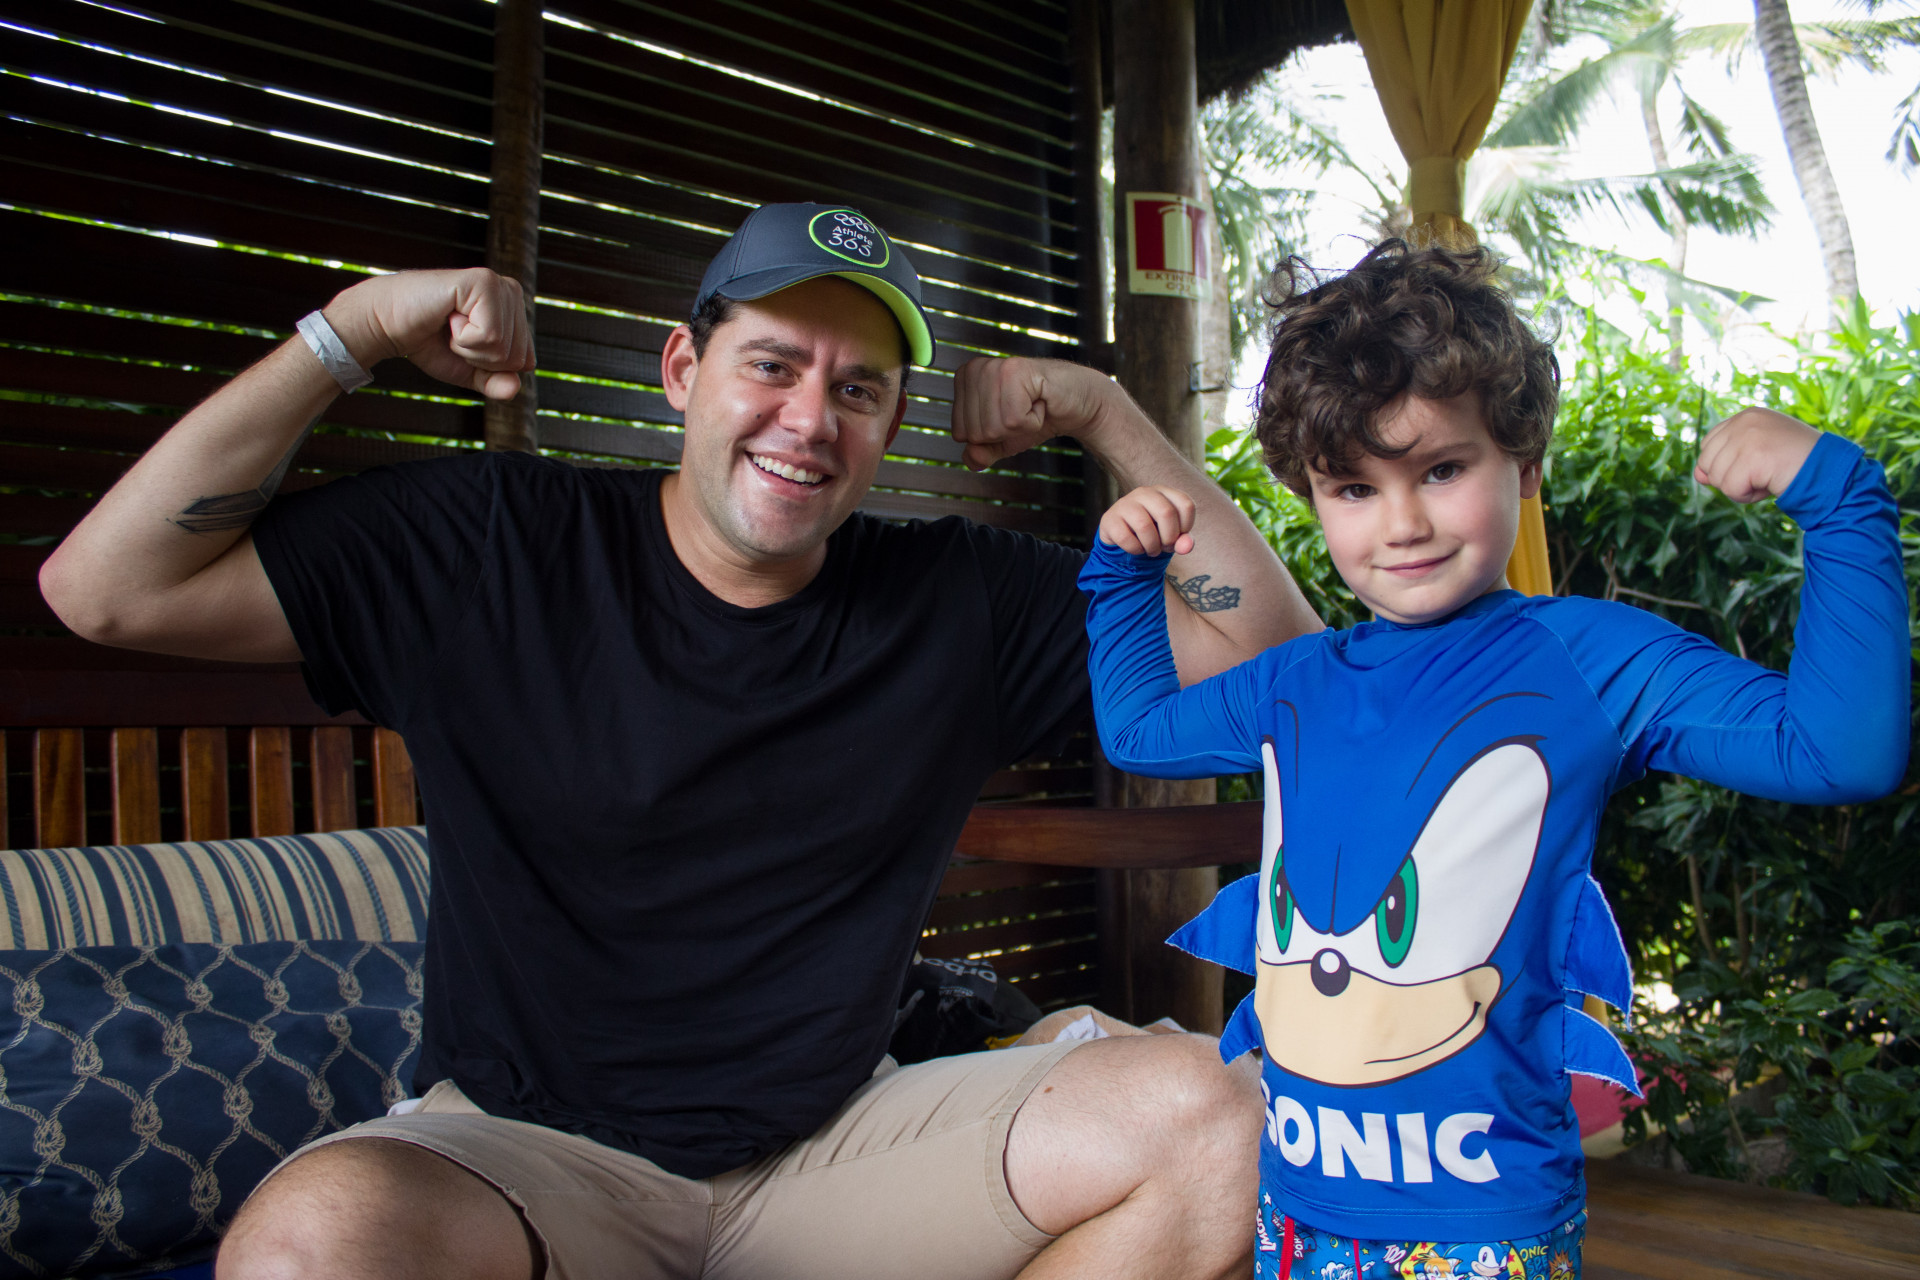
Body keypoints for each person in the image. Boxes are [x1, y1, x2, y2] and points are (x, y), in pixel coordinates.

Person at [38, 202, 1323, 1280]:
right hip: (529, 1156)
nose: (809, 417)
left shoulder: (957, 596)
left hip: (840, 1149)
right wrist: (354, 328)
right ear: (681, 370)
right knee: (307, 1242)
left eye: (857, 388)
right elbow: (107, 589)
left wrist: (1103, 411)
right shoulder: (491, 548)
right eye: (773, 363)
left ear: (888, 425)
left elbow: (1284, 673)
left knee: (1221, 1120)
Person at [1078, 239, 1909, 1280]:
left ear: (1522, 458)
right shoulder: (1296, 679)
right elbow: (1144, 730)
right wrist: (1120, 576)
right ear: (1311, 495)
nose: (1405, 522)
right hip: (1296, 1202)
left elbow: (1839, 751)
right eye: (1354, 488)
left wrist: (1841, 501)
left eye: (1442, 468)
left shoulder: (1588, 660)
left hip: (1486, 1223)